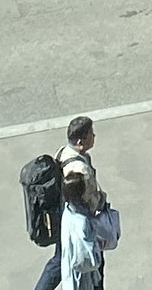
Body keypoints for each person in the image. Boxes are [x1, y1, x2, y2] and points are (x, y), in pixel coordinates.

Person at [29, 118, 99, 290]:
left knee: (60, 260)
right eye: (91, 134)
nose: (94, 136)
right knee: (89, 262)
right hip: (78, 217)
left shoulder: (62, 152)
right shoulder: (79, 169)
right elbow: (91, 199)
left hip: (62, 213)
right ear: (81, 141)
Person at [56, 157, 119, 290]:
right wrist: (97, 245)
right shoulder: (82, 221)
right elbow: (85, 260)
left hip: (70, 273)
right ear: (80, 193)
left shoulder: (68, 210)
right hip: (81, 280)